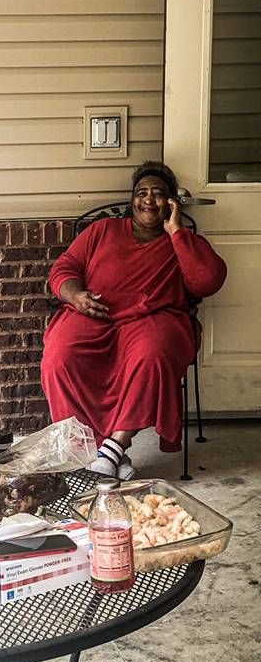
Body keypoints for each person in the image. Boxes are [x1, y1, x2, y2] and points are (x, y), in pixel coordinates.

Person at [41, 160, 227, 479]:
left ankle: (114, 447)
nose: (148, 199)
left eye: (158, 193)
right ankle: (94, 448)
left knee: (152, 355)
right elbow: (65, 267)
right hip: (95, 313)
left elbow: (207, 281)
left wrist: (177, 232)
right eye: (142, 192)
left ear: (171, 203)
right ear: (132, 201)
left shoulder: (182, 241)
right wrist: (76, 296)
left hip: (153, 318)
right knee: (59, 355)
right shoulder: (102, 231)